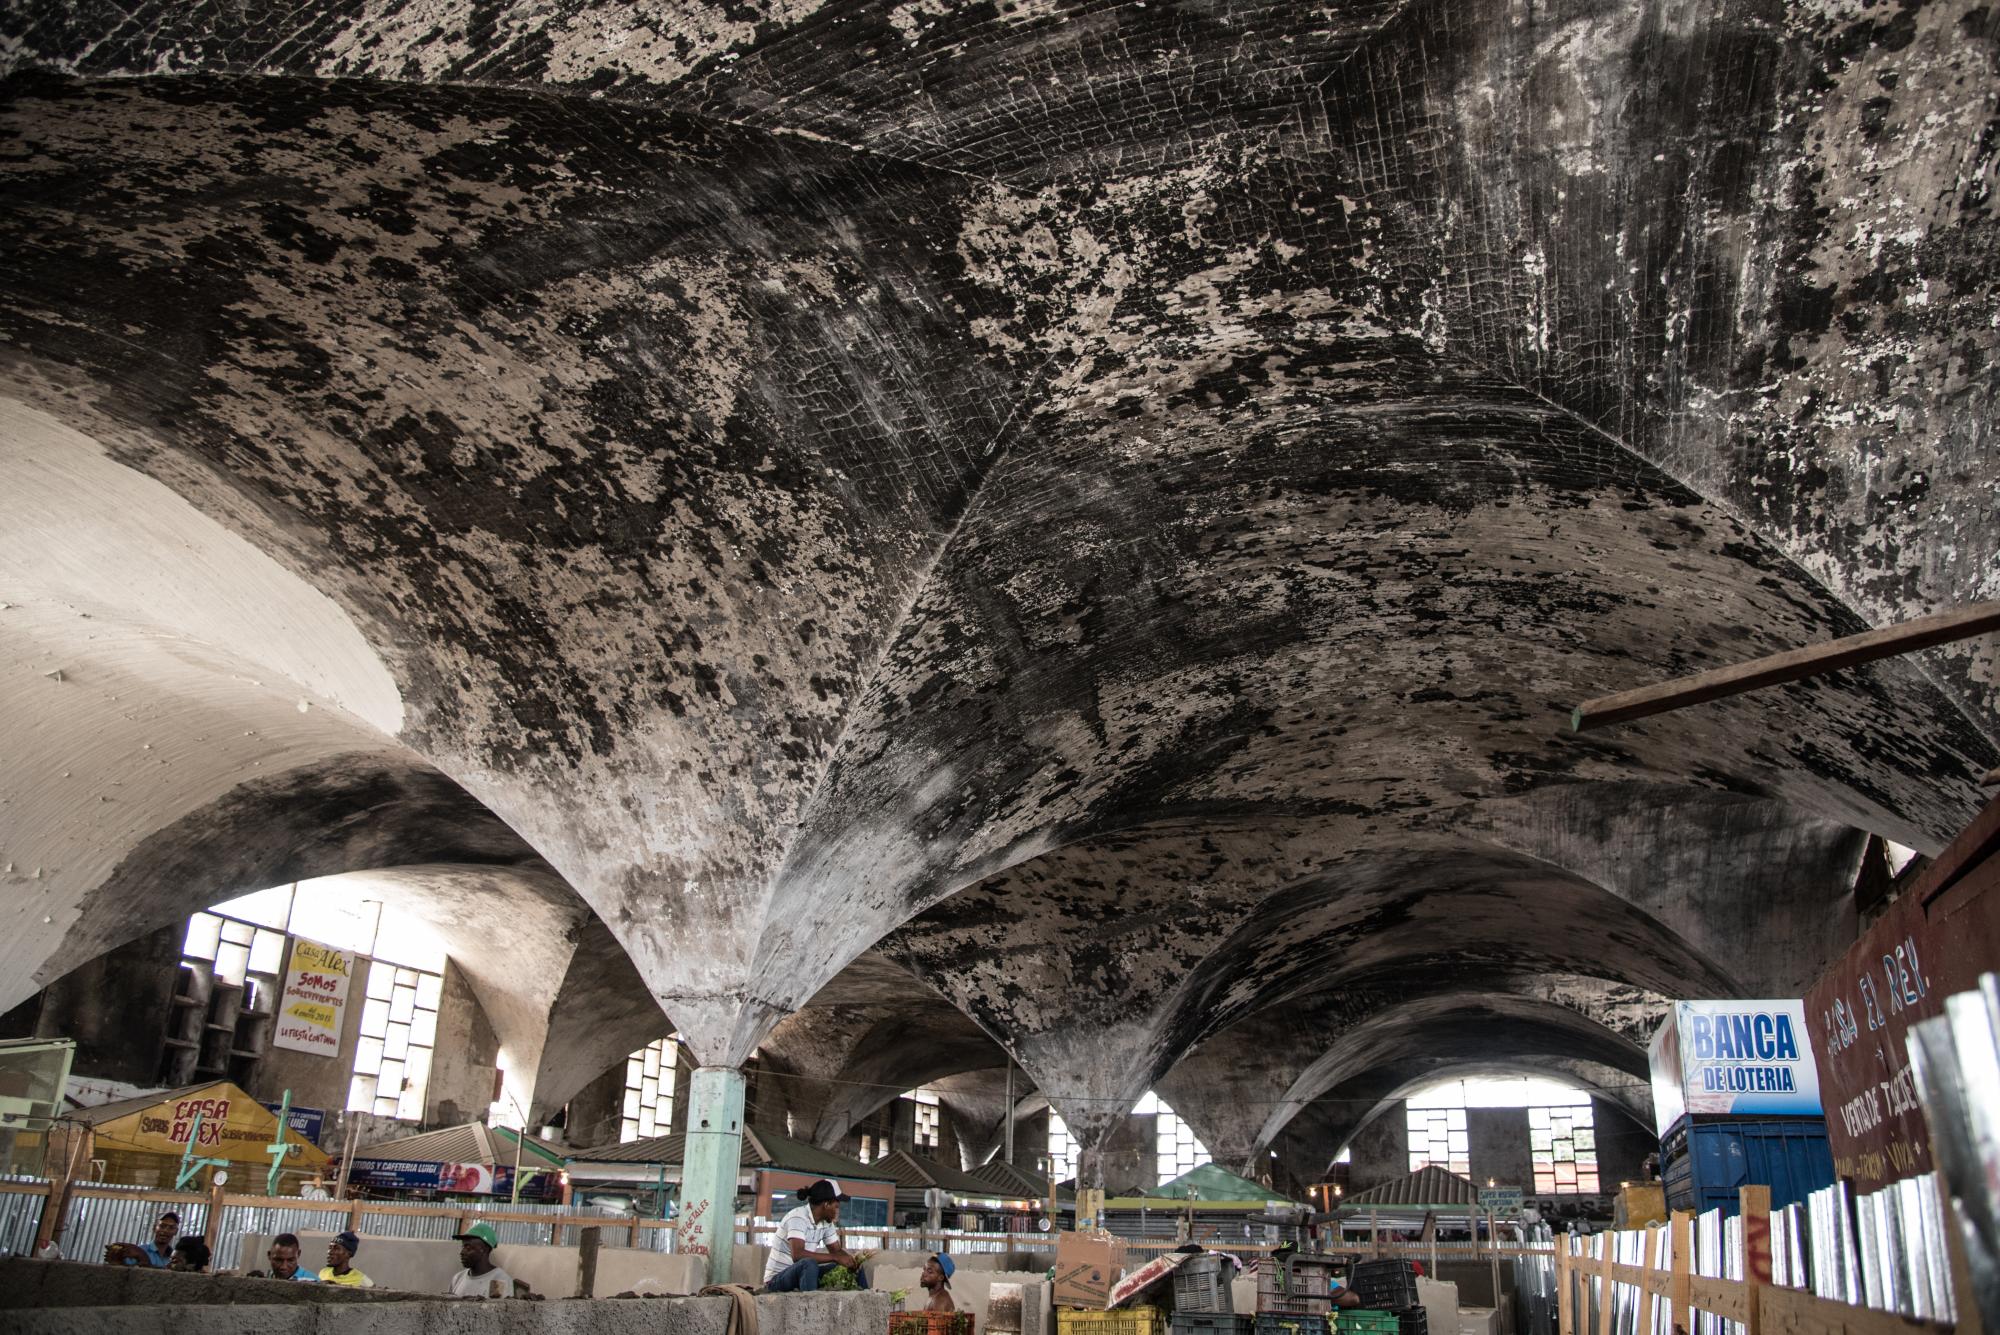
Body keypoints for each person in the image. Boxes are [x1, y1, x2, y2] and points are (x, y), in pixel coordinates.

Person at [762, 1178, 867, 1292]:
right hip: (777, 1280)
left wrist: (852, 1261)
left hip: (801, 1275)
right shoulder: (798, 1217)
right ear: (826, 1204)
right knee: (809, 1263)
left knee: (852, 1267)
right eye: (836, 1206)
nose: (838, 1211)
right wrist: (835, 1258)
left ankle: (868, 1300)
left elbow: (837, 1251)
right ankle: (811, 1304)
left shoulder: (826, 1222)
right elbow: (798, 1255)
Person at [449, 1221, 515, 1299]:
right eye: (463, 1247)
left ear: (484, 1250)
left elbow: (498, 1309)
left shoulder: (499, 1280)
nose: (462, 1252)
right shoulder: (457, 1278)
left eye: (468, 1248)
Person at [104, 1211, 178, 1267]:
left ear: (176, 1232)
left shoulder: (173, 1258)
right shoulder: (138, 1251)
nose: (165, 1230)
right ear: (154, 1228)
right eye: (162, 1226)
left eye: (171, 1228)